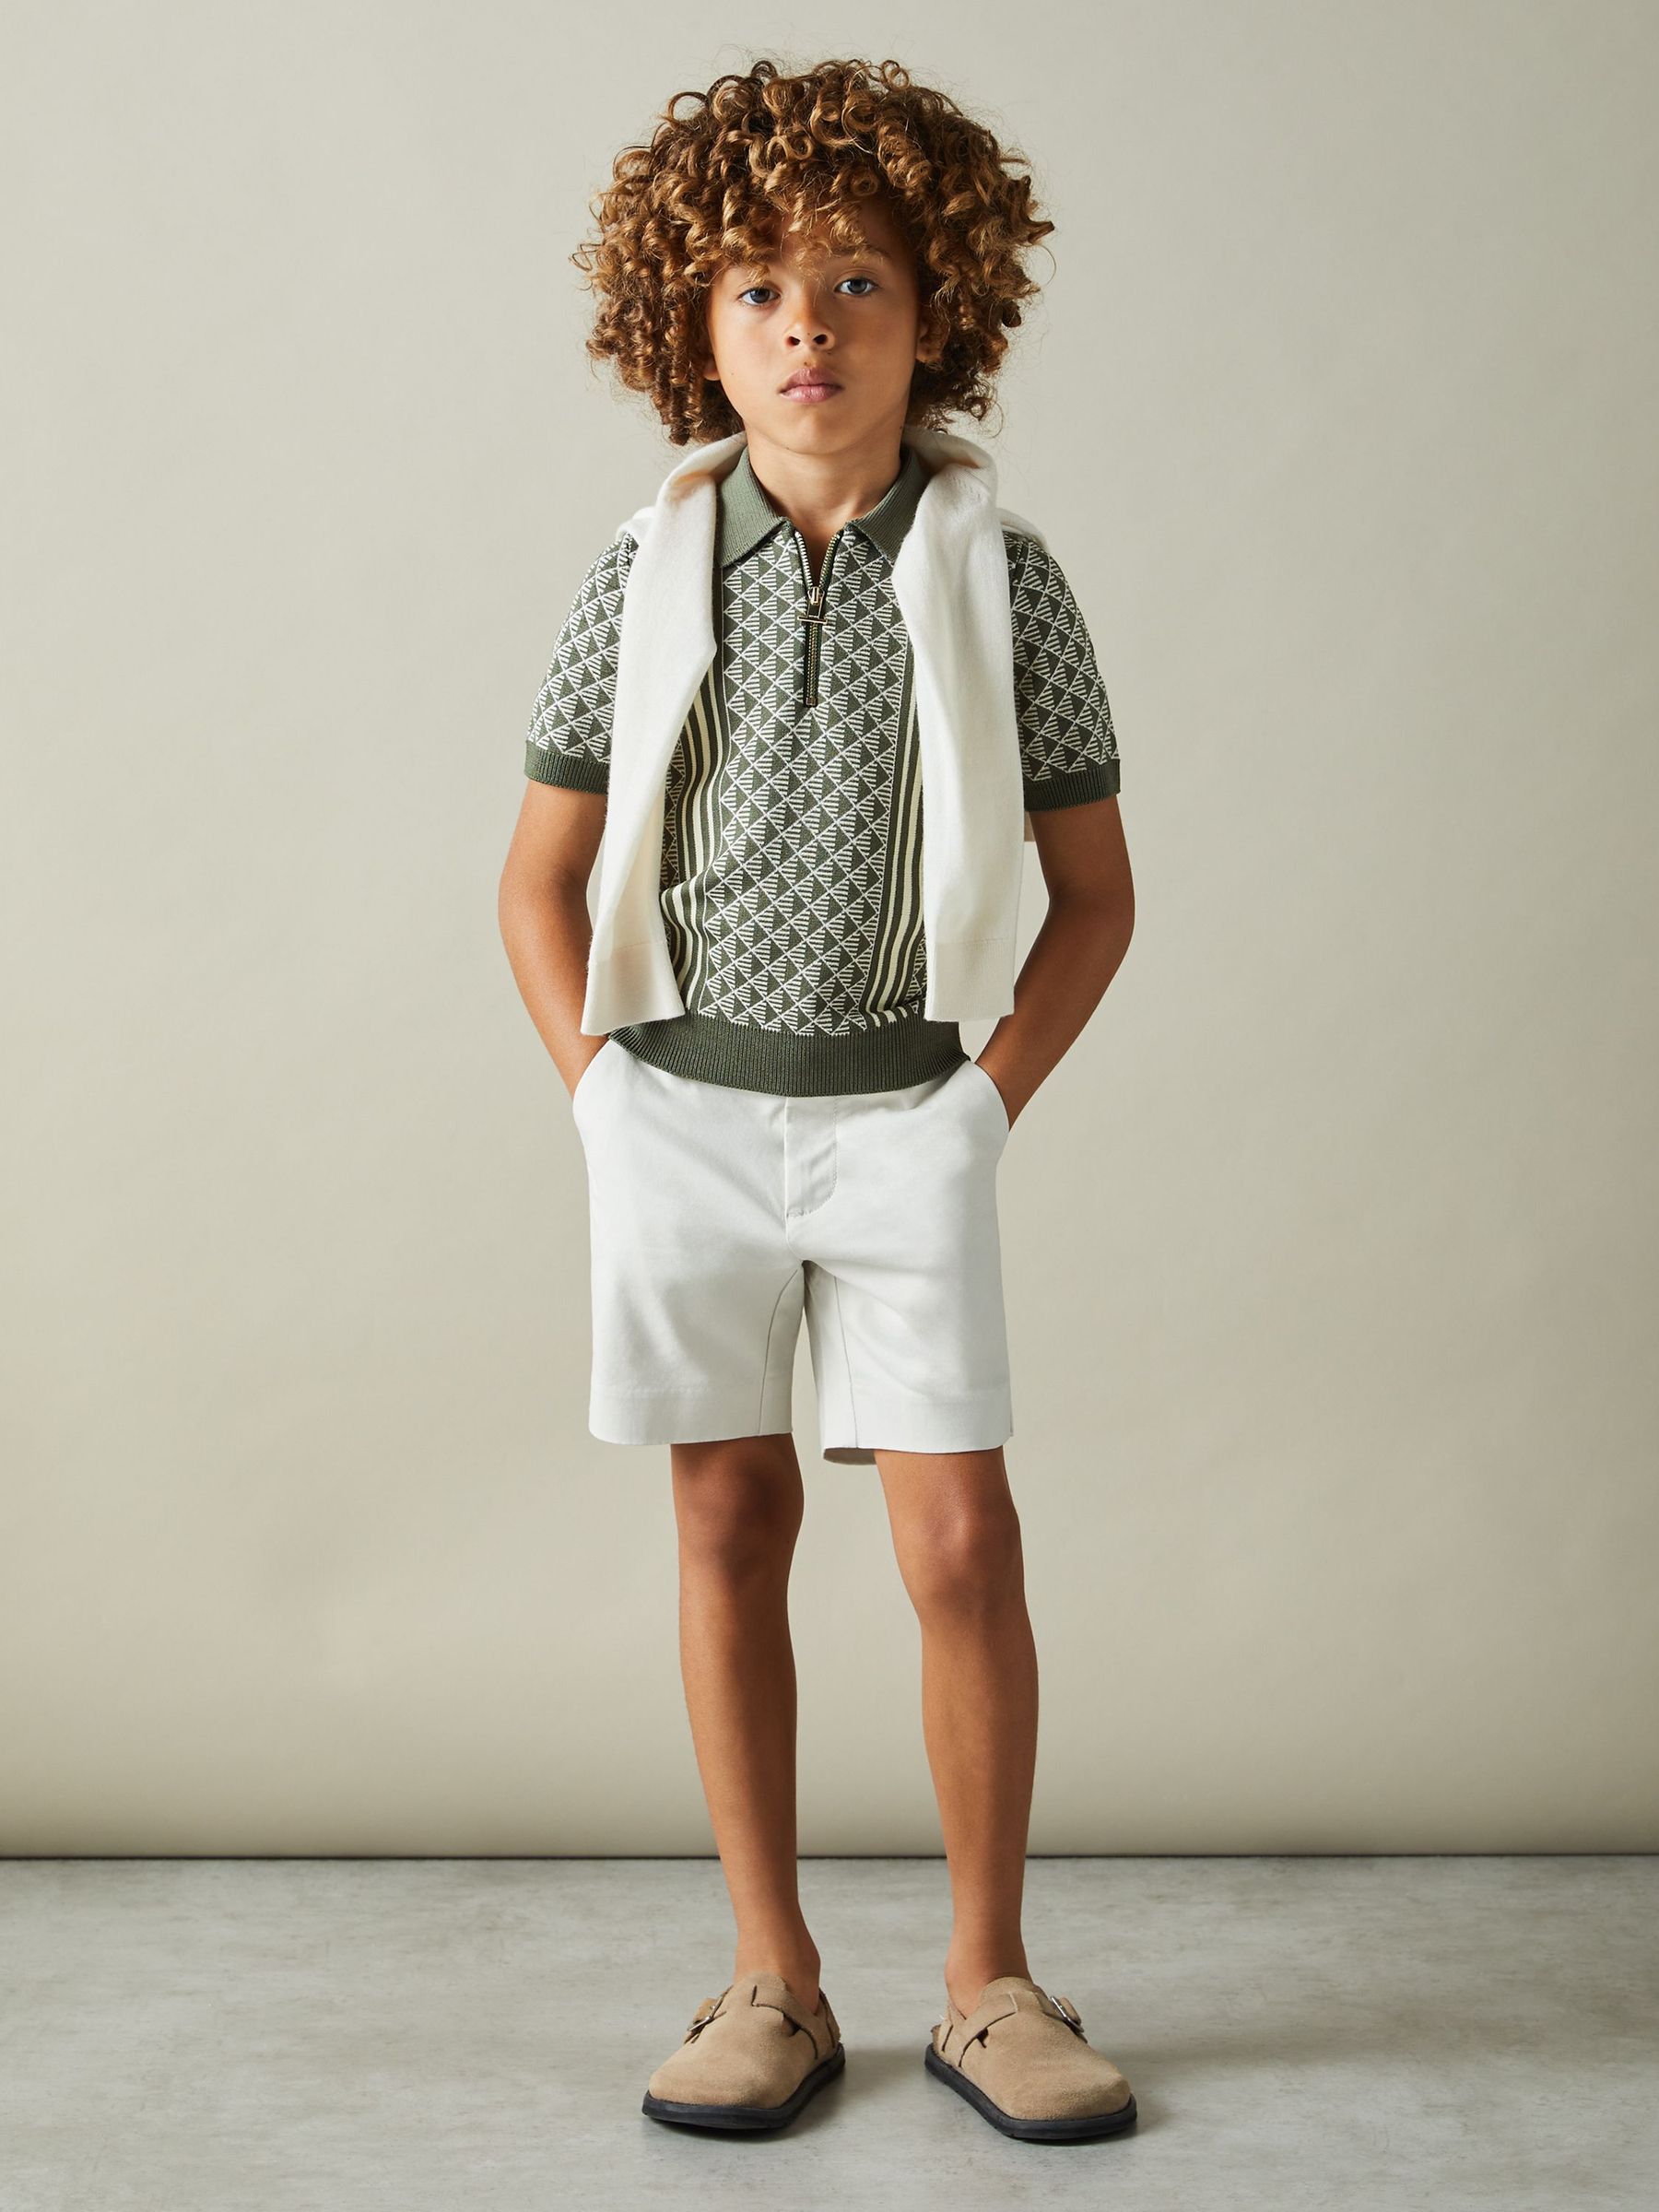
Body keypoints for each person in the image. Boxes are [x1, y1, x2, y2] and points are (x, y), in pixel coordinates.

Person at [498, 55, 1137, 2145]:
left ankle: (990, 1983)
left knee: (959, 1539)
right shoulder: (640, 576)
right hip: (679, 1110)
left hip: (902, 1116)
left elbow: (1097, 897)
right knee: (728, 1515)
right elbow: (536, 878)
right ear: (689, 322)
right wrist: (600, 1096)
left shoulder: (1003, 577)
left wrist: (981, 1108)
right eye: (761, 288)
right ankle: (770, 1973)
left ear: (936, 312)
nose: (809, 329)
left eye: (859, 282)